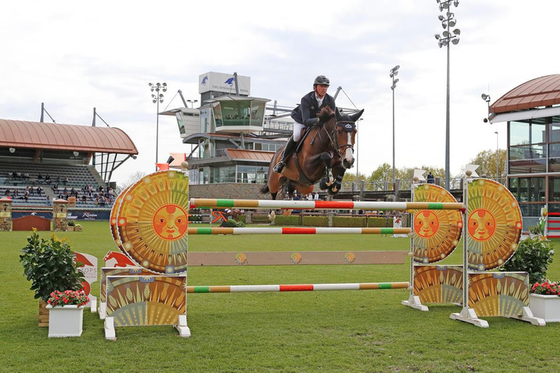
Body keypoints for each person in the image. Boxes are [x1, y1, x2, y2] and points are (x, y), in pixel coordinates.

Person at [273, 75, 337, 173]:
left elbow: (333, 117)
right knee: (297, 136)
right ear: (315, 87)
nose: (324, 88)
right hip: (302, 120)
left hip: (319, 123)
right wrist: (319, 120)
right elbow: (306, 121)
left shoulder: (330, 100)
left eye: (326, 86)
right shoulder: (306, 99)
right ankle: (283, 161)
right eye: (321, 86)